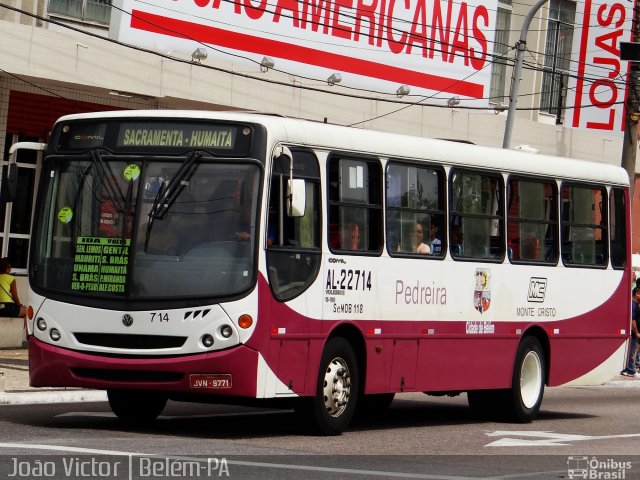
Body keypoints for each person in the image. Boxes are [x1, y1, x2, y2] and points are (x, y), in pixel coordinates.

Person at [621, 287, 640, 377]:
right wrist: (636, 332)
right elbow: (633, 320)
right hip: (633, 334)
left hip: (632, 333)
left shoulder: (635, 304)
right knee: (632, 352)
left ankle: (627, 369)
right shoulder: (633, 305)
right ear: (637, 294)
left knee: (631, 352)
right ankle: (631, 370)